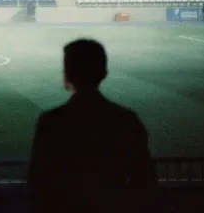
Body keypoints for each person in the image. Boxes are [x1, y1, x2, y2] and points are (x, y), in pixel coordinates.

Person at [28, 39, 155, 213]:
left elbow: (38, 182)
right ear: (104, 73)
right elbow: (144, 179)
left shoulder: (51, 121)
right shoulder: (126, 120)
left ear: (67, 74)